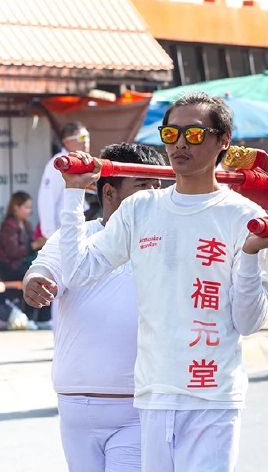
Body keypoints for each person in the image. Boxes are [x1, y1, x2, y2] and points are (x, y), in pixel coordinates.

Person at [56, 92, 268, 472]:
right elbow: (78, 271)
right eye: (171, 134)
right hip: (154, 395)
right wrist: (71, 193)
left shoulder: (243, 216)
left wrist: (250, 255)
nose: (180, 143)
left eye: (195, 134)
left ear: (223, 141)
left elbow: (249, 322)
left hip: (212, 396)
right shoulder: (140, 209)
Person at [24, 143, 164, 471]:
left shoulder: (165, 243)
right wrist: (35, 281)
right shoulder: (75, 237)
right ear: (110, 193)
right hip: (74, 403)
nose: (154, 196)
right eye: (143, 186)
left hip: (137, 407)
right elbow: (43, 268)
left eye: (158, 187)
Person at [38, 122, 90, 239]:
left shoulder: (84, 163)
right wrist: (50, 235)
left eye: (87, 137)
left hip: (78, 231)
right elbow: (47, 200)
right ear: (66, 141)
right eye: (81, 137)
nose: (85, 141)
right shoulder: (59, 163)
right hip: (62, 234)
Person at [0, 192, 47, 320]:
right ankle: (29, 317)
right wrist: (34, 245)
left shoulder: (26, 224)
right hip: (10, 267)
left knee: (45, 274)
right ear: (16, 207)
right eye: (26, 207)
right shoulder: (8, 226)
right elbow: (13, 251)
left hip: (23, 264)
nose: (29, 211)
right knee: (33, 278)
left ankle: (43, 318)